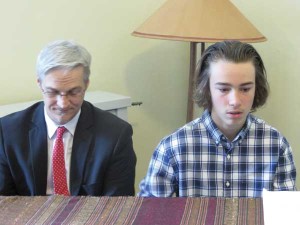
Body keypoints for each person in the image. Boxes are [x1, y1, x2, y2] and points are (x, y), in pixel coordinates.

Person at [138, 40, 297, 198]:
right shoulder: (172, 149)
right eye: (223, 89)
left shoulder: (277, 146)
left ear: (257, 88)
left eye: (245, 89)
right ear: (206, 89)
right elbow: (147, 216)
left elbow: (284, 217)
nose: (235, 100)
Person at [0, 40, 136, 196]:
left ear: (86, 85)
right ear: (39, 84)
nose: (63, 104)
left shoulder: (116, 135)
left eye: (73, 92)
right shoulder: (7, 132)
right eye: (52, 92)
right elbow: (5, 204)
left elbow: (117, 206)